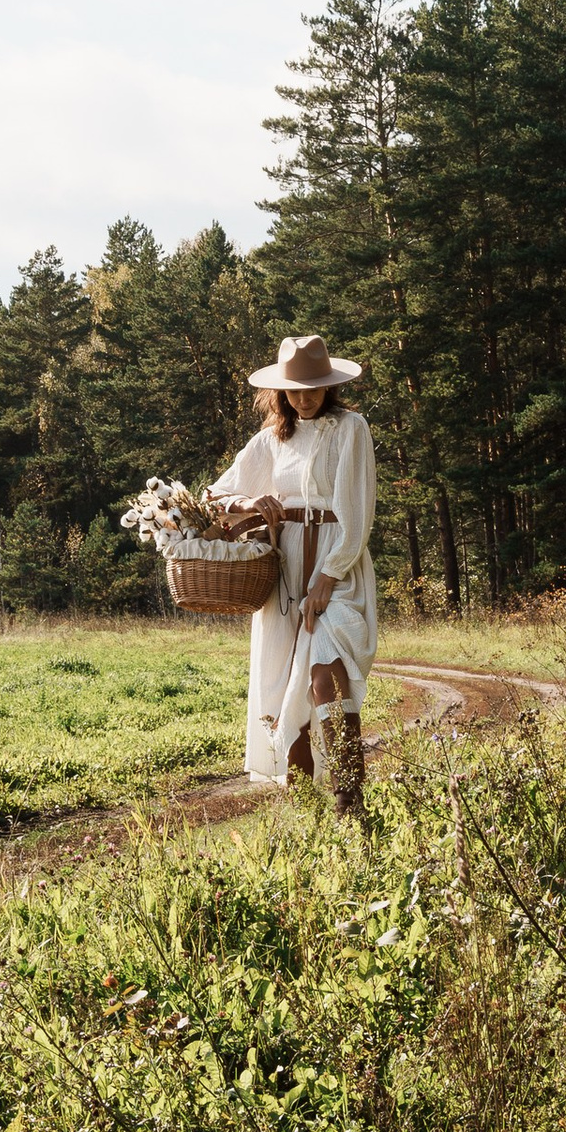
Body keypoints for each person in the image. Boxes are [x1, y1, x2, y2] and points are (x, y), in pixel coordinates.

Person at [207, 332, 377, 816]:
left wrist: (329, 574)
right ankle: (305, 803)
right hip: (284, 572)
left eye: (314, 388)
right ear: (280, 392)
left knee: (325, 673)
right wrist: (246, 502)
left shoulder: (350, 429)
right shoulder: (271, 440)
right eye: (295, 390)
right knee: (286, 682)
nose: (305, 398)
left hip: (335, 564)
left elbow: (357, 511)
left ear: (330, 386)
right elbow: (214, 497)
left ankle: (350, 798)